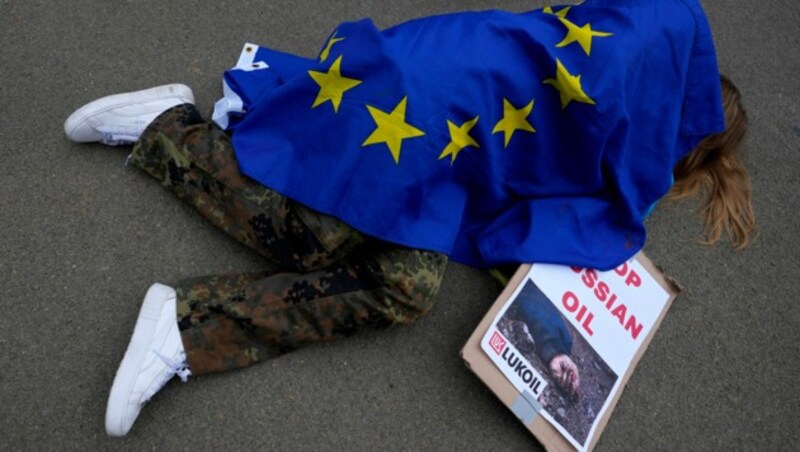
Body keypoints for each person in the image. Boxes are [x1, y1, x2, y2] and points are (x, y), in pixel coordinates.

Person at [63, 0, 755, 437]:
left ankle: (182, 318)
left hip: (436, 139)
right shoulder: (611, 66)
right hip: (411, 110)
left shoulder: (616, 92)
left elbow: (530, 190)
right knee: (343, 242)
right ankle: (169, 137)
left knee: (402, 284)